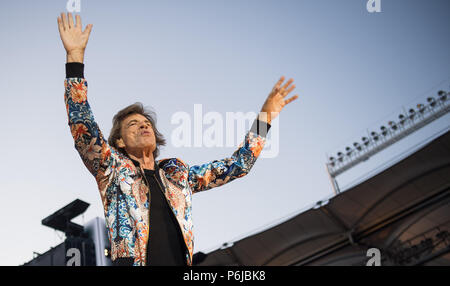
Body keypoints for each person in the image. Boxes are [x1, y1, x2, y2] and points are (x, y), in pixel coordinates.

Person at [57, 12, 299, 266]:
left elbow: (237, 166)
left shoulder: (178, 177)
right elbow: (82, 126)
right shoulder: (112, 170)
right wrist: (75, 59)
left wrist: (266, 116)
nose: (143, 126)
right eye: (133, 125)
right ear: (119, 142)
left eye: (146, 123)